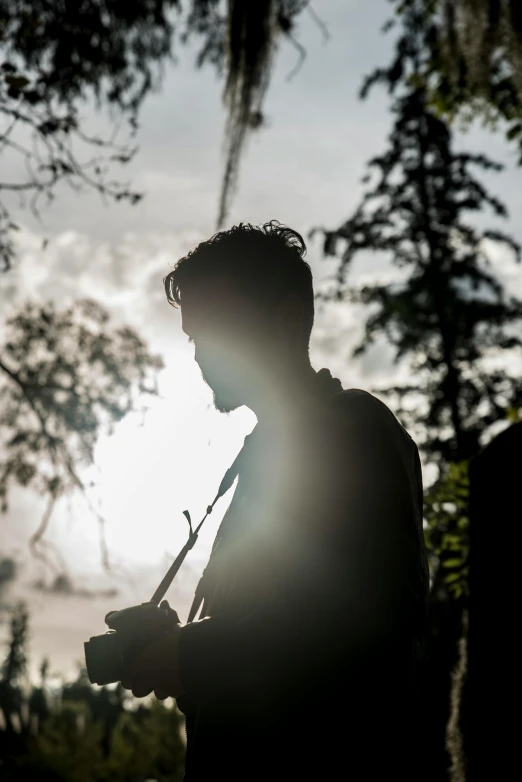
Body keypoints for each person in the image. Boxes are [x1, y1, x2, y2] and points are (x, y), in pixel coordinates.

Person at [121, 221, 429, 781]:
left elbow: (361, 626)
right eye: (194, 338)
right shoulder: (264, 456)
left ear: (286, 320)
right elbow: (270, 668)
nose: (199, 355)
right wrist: (173, 649)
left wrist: (190, 656)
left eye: (217, 332)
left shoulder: (355, 430)